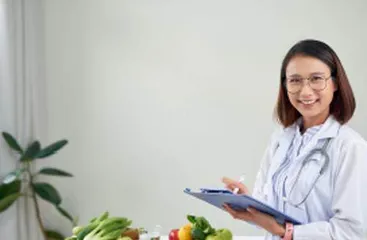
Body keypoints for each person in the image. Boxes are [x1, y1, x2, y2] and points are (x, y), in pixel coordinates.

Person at [222, 39, 367, 239]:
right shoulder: (281, 139)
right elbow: (271, 214)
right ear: (285, 85)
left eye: (316, 79)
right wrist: (247, 204)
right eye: (295, 80)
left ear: (335, 83)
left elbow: (351, 232)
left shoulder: (350, 147)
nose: (305, 91)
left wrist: (286, 232)